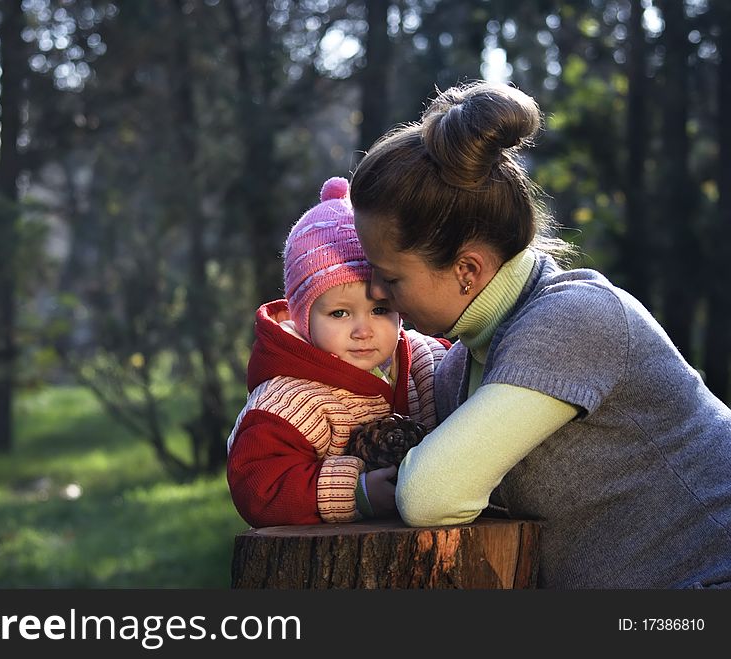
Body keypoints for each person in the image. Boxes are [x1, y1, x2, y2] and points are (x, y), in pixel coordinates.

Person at [349, 80, 731, 589]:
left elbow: (430, 495)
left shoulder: (576, 318)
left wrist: (354, 494)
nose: (374, 286)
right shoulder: (458, 369)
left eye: (390, 275)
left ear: (467, 268)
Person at [226, 177, 450, 528]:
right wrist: (355, 491)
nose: (364, 330)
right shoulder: (288, 403)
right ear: (304, 318)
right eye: (340, 313)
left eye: (380, 310)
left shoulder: (426, 361)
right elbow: (259, 485)